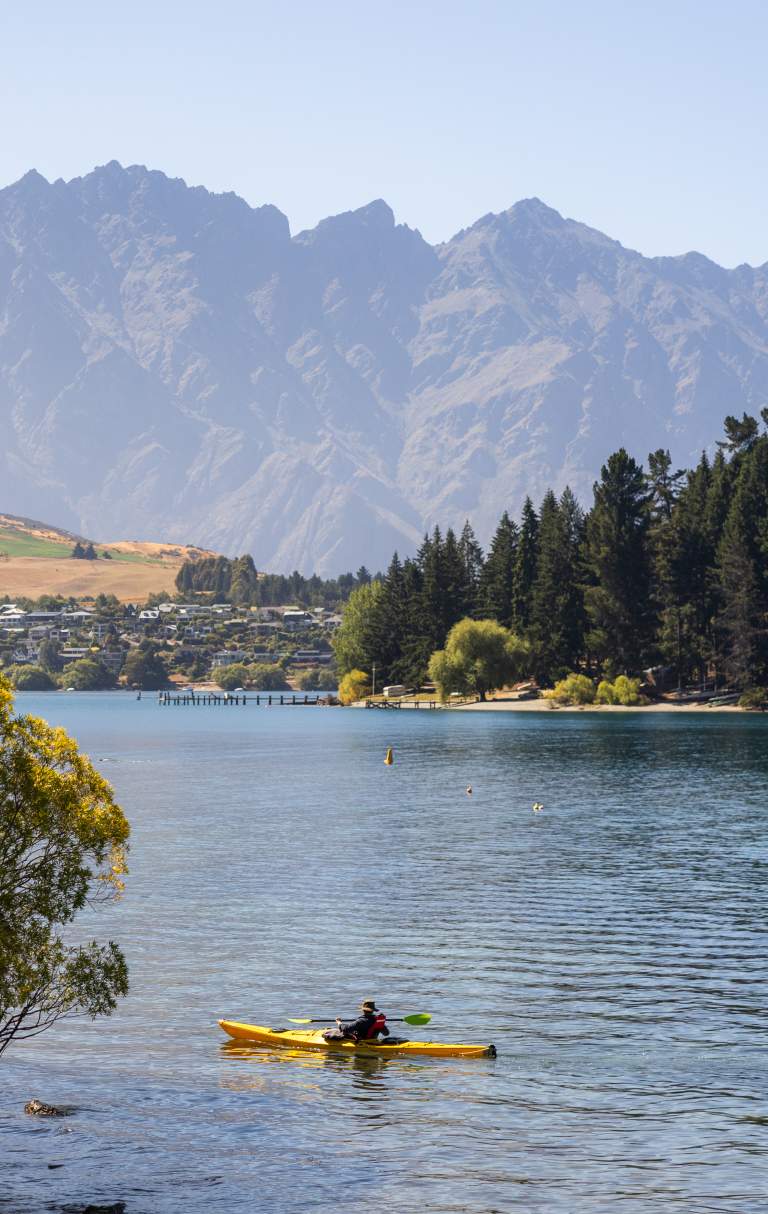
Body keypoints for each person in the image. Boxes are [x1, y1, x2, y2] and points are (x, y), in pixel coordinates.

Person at [322, 1000, 389, 1042]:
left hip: (362, 1042)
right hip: (373, 1040)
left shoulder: (361, 1021)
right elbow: (386, 1033)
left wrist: (339, 1022)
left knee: (337, 1031)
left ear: (363, 1010)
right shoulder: (378, 1021)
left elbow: (346, 1029)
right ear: (373, 1010)